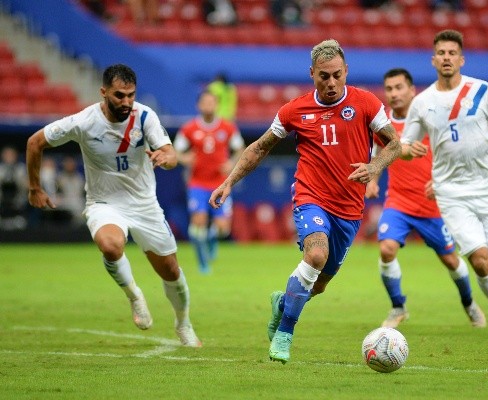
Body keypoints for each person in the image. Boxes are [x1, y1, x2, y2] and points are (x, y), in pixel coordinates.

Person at [209, 39, 402, 363]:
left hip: (349, 208)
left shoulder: (367, 103)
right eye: (323, 76)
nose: (330, 82)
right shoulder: (294, 110)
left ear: (346, 72)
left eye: (336, 75)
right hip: (310, 196)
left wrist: (374, 167)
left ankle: (283, 303)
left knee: (321, 284)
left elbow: (394, 145)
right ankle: (285, 332)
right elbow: (259, 147)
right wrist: (229, 182)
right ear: (312, 73)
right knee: (315, 255)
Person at [26, 64, 201, 347]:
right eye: (120, 96)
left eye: (131, 95)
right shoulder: (84, 122)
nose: (126, 102)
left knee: (171, 271)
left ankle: (184, 324)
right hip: (104, 203)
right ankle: (135, 296)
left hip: (144, 204)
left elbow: (171, 155)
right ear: (103, 92)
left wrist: (164, 159)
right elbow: (35, 143)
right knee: (110, 245)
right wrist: (34, 188)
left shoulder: (145, 116)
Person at [400, 29, 488, 339]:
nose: (446, 58)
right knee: (481, 261)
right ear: (433, 60)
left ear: (461, 59)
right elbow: (403, 144)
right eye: (441, 53)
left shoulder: (482, 90)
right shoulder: (422, 102)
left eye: (452, 53)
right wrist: (407, 150)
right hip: (451, 192)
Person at [365, 68, 486, 329]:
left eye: (399, 88)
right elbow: (377, 154)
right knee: (386, 249)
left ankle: (469, 304)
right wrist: (373, 180)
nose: (394, 94)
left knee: (451, 261)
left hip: (433, 206)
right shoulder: (383, 125)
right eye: (389, 89)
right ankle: (398, 307)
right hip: (398, 202)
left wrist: (443, 181)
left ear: (412, 91)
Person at [174, 90, 245, 274]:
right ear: (199, 105)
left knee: (222, 229)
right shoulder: (189, 128)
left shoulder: (227, 127)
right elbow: (175, 151)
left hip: (221, 184)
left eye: (211, 102)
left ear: (217, 105)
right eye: (204, 102)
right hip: (197, 183)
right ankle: (202, 263)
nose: (208, 106)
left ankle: (212, 239)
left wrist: (231, 163)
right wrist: (184, 158)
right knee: (198, 224)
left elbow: (240, 149)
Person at [0, 145, 28, 230]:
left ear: (15, 156)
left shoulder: (22, 168)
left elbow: (28, 185)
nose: (9, 157)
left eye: (11, 155)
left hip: (18, 205)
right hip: (2, 205)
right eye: (7, 155)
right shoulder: (0, 169)